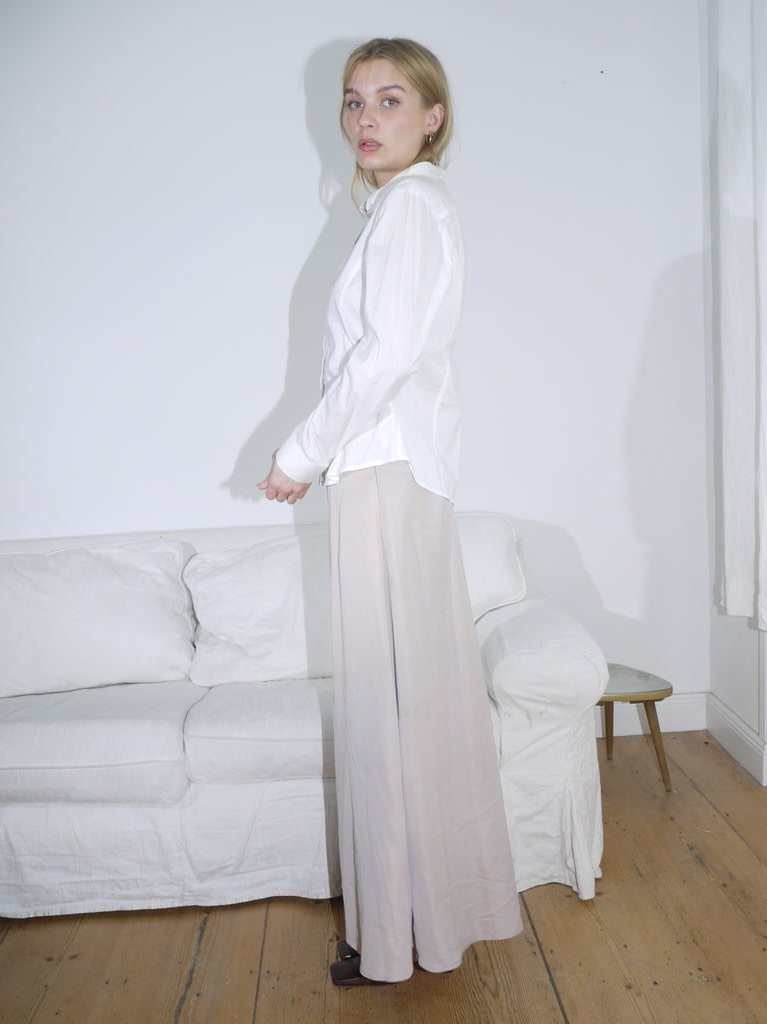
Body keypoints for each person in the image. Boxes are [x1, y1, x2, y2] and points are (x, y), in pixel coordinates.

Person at [258, 37, 521, 986]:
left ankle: (402, 934)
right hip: (390, 472)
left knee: (392, 708)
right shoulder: (407, 211)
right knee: (405, 706)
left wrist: (298, 453)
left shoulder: (412, 207)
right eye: (353, 102)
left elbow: (381, 359)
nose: (366, 120)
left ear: (433, 116)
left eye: (391, 100)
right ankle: (410, 927)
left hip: (383, 470)